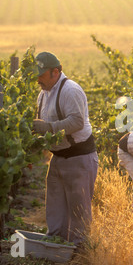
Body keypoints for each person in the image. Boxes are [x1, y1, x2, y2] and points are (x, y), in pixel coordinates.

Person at [32, 51, 98, 247]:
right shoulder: (43, 93)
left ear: (55, 72)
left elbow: (77, 121)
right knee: (55, 205)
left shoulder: (70, 90)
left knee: (78, 209)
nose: (38, 79)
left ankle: (80, 252)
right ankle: (55, 245)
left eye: (41, 75)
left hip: (79, 156)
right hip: (58, 156)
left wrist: (49, 128)